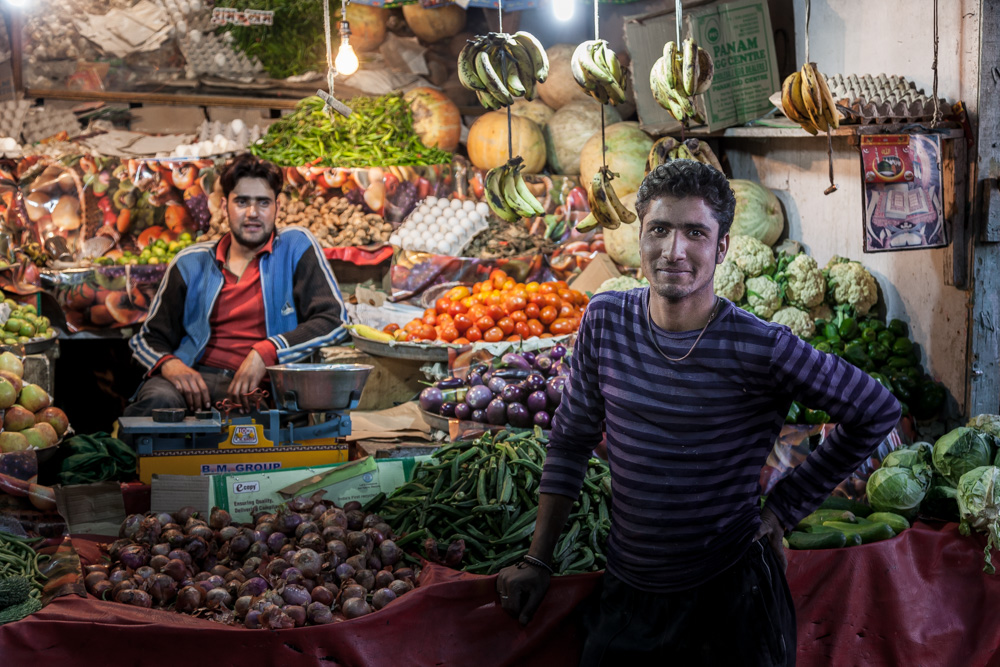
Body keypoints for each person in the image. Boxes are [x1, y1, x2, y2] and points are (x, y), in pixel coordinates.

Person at [496, 160, 901, 666]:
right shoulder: (605, 320)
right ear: (639, 236)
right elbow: (571, 440)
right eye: (659, 230)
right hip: (628, 592)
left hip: (731, 601)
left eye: (695, 232)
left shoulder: (762, 346)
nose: (674, 250)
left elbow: (876, 408)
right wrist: (538, 558)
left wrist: (784, 508)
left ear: (722, 247)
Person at [124, 153, 347, 417]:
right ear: (223, 206)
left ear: (277, 207)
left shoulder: (295, 246)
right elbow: (148, 338)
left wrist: (267, 351)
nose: (252, 213)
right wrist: (169, 364)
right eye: (241, 202)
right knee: (155, 403)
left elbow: (334, 320)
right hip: (192, 378)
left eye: (263, 203)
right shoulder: (191, 262)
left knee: (246, 426)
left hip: (257, 391)